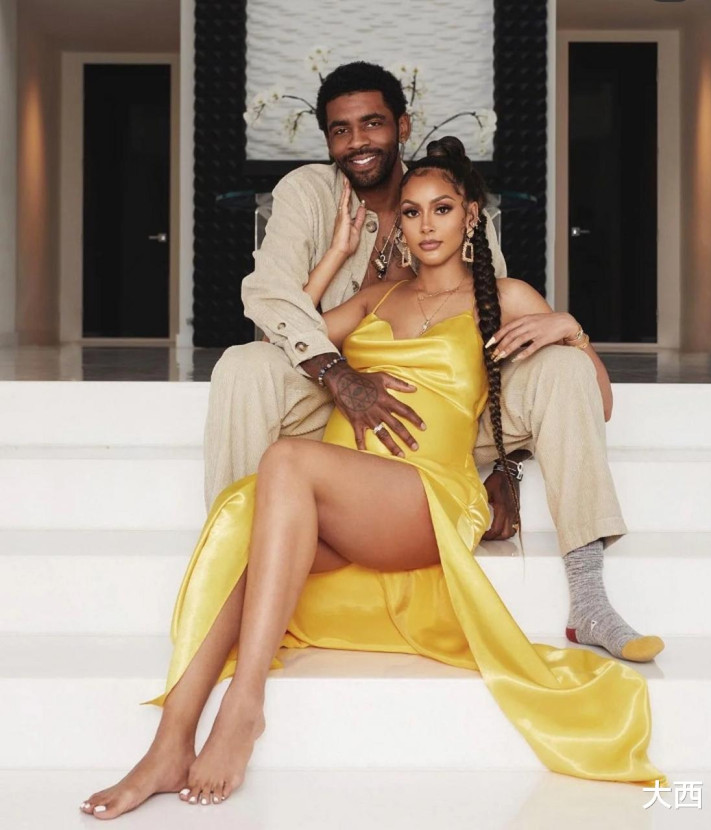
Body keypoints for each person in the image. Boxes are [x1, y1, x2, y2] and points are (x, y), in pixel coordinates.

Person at [79, 137, 665, 820]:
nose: (426, 226)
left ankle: (244, 704)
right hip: (343, 500)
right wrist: (335, 253)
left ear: (471, 216)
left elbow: (596, 401)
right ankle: (168, 742)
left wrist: (570, 329)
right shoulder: (378, 295)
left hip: (424, 497)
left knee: (283, 462)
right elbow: (280, 340)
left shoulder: (504, 296)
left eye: (442, 209)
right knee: (248, 538)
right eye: (411, 212)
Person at [206, 62, 662, 665]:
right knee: (242, 366)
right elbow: (275, 317)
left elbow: (491, 332)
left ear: (402, 126)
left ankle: (589, 597)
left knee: (563, 366)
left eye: (372, 123)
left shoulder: (450, 199)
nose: (357, 141)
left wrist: (508, 462)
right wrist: (339, 288)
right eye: (340, 130)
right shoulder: (310, 196)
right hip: (336, 395)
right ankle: (227, 568)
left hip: (449, 412)